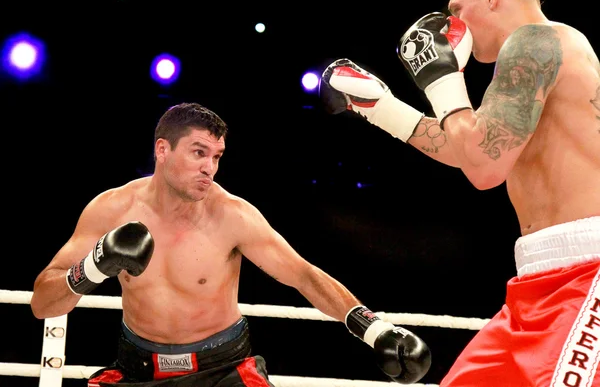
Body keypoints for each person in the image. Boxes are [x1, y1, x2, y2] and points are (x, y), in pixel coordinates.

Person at [319, 0, 600, 387]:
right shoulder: (537, 55)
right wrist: (381, 107)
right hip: (538, 280)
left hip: (587, 274)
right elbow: (475, 150)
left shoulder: (535, 41)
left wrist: (442, 79)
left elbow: (484, 168)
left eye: (456, 9)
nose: (454, 25)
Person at [30, 102, 431, 387]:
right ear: (162, 150)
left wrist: (375, 329)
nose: (210, 167)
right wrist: (93, 268)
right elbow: (42, 304)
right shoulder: (110, 210)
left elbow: (304, 276)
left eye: (217, 156)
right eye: (199, 153)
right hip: (138, 369)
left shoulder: (233, 216)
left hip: (223, 370)